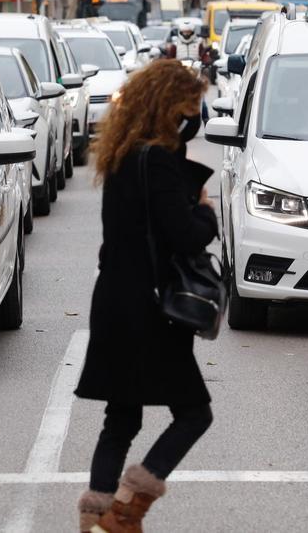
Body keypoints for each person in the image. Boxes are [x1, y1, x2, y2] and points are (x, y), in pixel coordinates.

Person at [75, 59, 217, 533]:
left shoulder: (122, 155)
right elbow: (184, 235)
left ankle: (95, 517)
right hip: (148, 310)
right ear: (167, 106)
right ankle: (128, 508)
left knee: (121, 418)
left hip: (114, 299)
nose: (192, 117)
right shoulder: (155, 159)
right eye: (189, 108)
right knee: (194, 413)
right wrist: (206, 214)